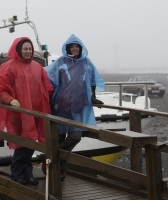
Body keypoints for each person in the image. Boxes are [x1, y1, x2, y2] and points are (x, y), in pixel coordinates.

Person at [0, 37, 54, 185]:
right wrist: (9, 100)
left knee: (31, 142)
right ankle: (17, 172)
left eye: (30, 49)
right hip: (18, 113)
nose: (28, 51)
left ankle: (27, 173)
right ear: (18, 49)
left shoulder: (38, 67)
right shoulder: (9, 66)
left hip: (36, 112)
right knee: (22, 143)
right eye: (25, 49)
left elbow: (47, 86)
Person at [44, 34, 105, 181]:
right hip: (60, 106)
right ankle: (57, 170)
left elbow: (92, 79)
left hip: (77, 107)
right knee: (58, 138)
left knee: (75, 136)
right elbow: (47, 75)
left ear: (81, 48)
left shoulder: (86, 62)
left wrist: (92, 96)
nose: (74, 48)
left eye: (77, 46)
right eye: (72, 46)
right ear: (67, 48)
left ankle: (52, 157)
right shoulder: (61, 61)